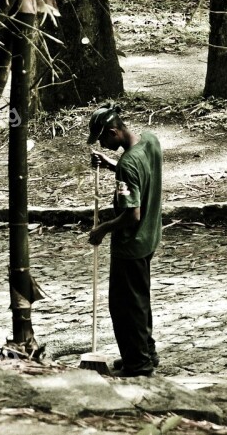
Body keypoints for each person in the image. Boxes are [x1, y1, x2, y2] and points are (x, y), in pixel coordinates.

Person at [87, 103, 162, 377]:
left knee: (124, 306)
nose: (103, 145)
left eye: (103, 139)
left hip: (131, 244)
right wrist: (111, 165)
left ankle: (137, 365)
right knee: (139, 300)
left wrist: (102, 229)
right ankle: (145, 353)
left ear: (114, 131)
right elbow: (141, 174)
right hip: (151, 236)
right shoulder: (150, 141)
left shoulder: (127, 165)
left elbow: (132, 214)